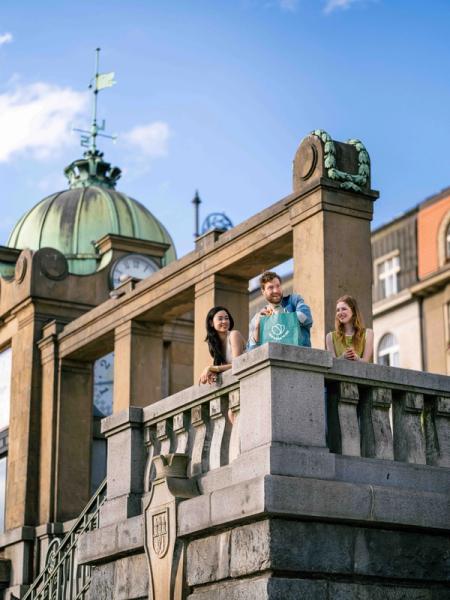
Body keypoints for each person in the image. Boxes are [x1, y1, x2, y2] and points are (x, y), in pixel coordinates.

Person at [248, 271, 312, 349]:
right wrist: (257, 328)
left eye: (278, 286)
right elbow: (251, 351)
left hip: (300, 356)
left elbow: (307, 318)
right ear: (263, 291)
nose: (276, 290)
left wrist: (283, 314)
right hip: (273, 359)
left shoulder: (294, 300)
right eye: (271, 287)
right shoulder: (258, 318)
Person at [199, 306, 246, 384]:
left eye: (226, 318)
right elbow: (228, 368)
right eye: (220, 319)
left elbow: (237, 364)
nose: (224, 321)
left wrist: (212, 368)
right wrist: (213, 373)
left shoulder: (234, 335)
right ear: (211, 323)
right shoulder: (216, 345)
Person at [326, 295, 373, 362]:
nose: (340, 313)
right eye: (338, 310)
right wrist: (343, 357)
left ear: (353, 311)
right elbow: (332, 364)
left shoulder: (368, 334)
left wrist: (357, 358)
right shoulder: (330, 337)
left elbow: (366, 362)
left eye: (344, 309)